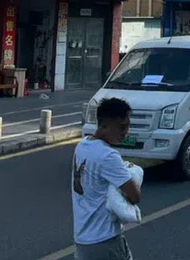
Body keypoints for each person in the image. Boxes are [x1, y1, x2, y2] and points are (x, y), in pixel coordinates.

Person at [72, 97, 142, 260]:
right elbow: (135, 196)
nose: (125, 132)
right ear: (104, 125)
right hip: (105, 240)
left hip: (83, 240)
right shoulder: (108, 156)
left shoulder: (81, 146)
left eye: (127, 126)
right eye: (121, 127)